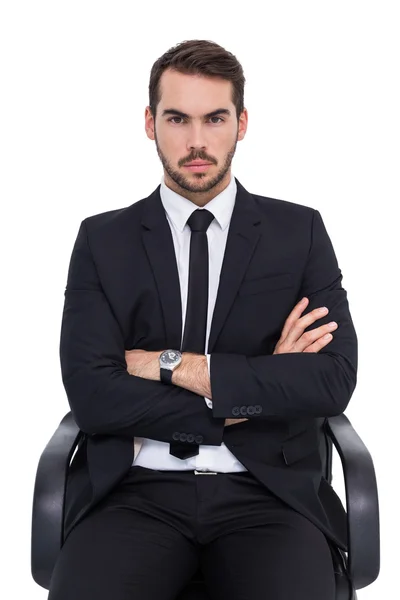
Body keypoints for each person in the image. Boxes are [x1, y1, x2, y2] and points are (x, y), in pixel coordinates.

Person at [48, 39, 357, 600]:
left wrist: (161, 365)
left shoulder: (298, 232)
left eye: (214, 118)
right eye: (177, 118)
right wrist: (248, 393)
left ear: (241, 123)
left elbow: (331, 378)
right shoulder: (103, 239)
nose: (196, 141)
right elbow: (94, 394)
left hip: (268, 495)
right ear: (149, 123)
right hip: (133, 494)